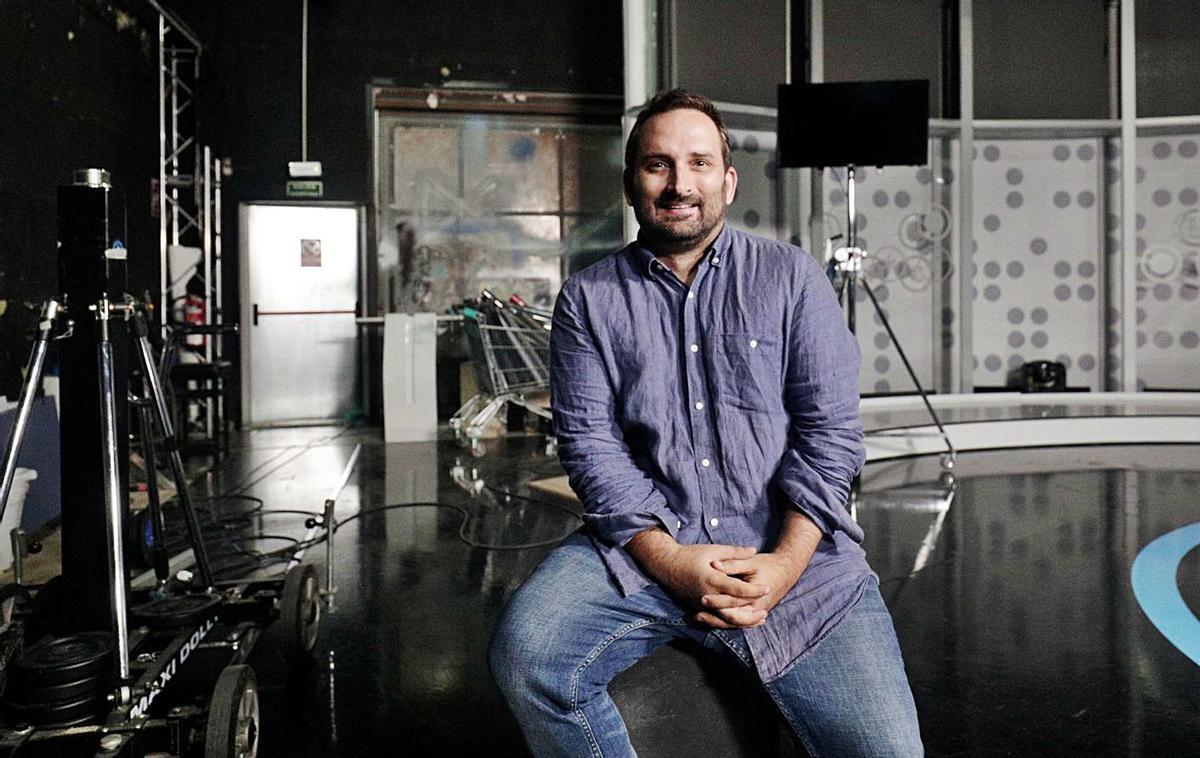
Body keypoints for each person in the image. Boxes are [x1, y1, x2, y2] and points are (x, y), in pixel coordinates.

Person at [489, 89, 922, 757]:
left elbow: (830, 437)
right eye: (657, 164)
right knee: (527, 656)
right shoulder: (588, 298)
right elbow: (591, 448)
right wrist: (668, 559)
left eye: (698, 163)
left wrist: (784, 565)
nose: (679, 184)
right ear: (631, 183)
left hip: (798, 558)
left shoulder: (792, 279)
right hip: (644, 548)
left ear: (728, 180)